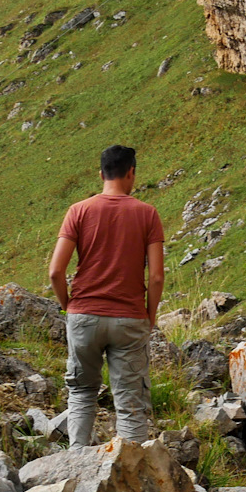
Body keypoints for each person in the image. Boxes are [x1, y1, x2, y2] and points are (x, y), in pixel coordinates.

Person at [49, 145, 166, 448]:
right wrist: (149, 315)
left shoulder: (78, 211)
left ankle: (76, 463)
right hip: (129, 319)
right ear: (131, 173)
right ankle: (131, 473)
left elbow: (55, 272)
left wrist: (70, 307)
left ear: (101, 174)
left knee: (82, 392)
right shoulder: (147, 214)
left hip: (83, 315)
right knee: (130, 402)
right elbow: (155, 276)